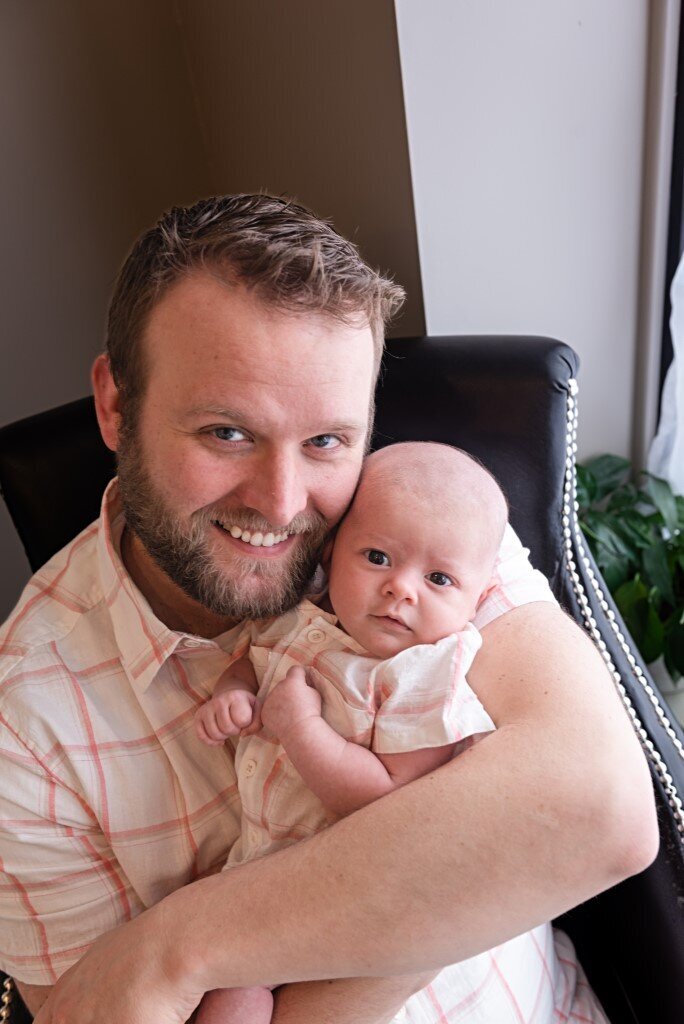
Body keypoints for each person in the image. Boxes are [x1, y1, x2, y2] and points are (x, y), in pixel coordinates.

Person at [0, 194, 656, 1024]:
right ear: (116, 405)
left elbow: (602, 812)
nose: (282, 505)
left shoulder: (416, 526)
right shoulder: (22, 739)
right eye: (226, 433)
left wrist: (179, 945)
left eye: (326, 442)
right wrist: (462, 876)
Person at [193, 441, 608, 1024]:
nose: (401, 589)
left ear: (478, 594)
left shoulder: (430, 676)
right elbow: (253, 663)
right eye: (379, 557)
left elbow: (385, 797)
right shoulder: (301, 618)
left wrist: (301, 726)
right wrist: (232, 694)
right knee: (224, 1000)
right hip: (261, 875)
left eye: (438, 578)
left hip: (358, 892)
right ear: (333, 550)